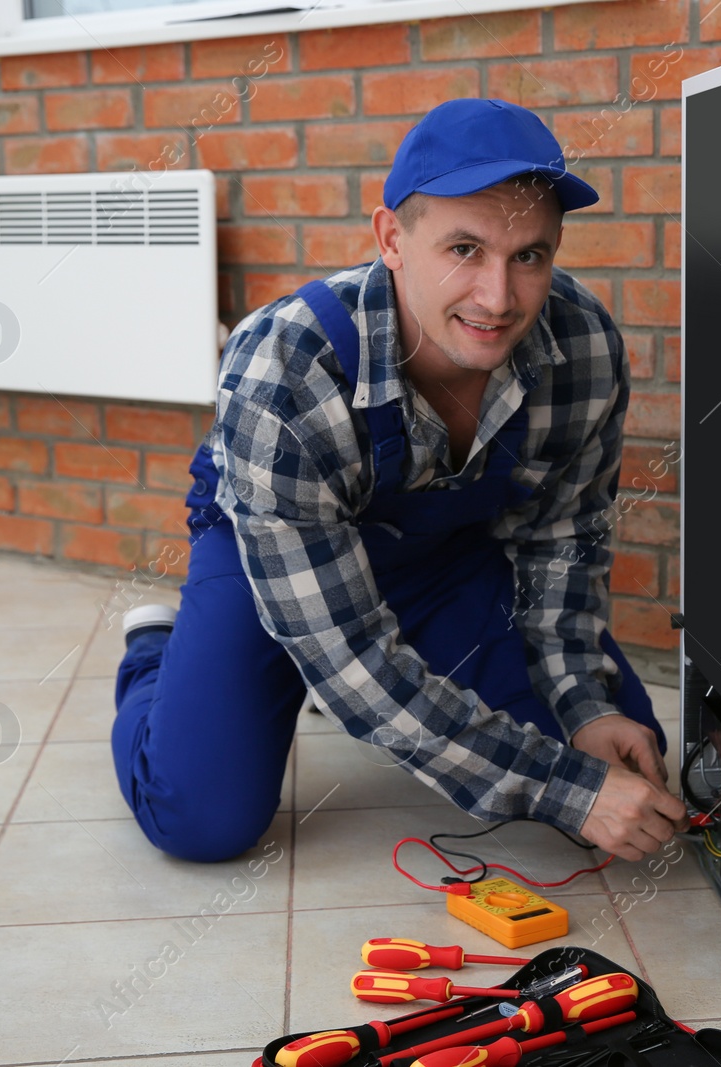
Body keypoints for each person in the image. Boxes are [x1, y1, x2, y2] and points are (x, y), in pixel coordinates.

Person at [112, 98, 689, 865]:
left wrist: (582, 704)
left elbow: (563, 543)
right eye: (464, 249)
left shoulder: (581, 347)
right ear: (391, 238)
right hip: (273, 555)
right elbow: (350, 653)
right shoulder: (285, 368)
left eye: (530, 256)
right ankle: (157, 654)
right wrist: (561, 788)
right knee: (201, 818)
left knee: (615, 749)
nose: (498, 297)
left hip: (443, 554)